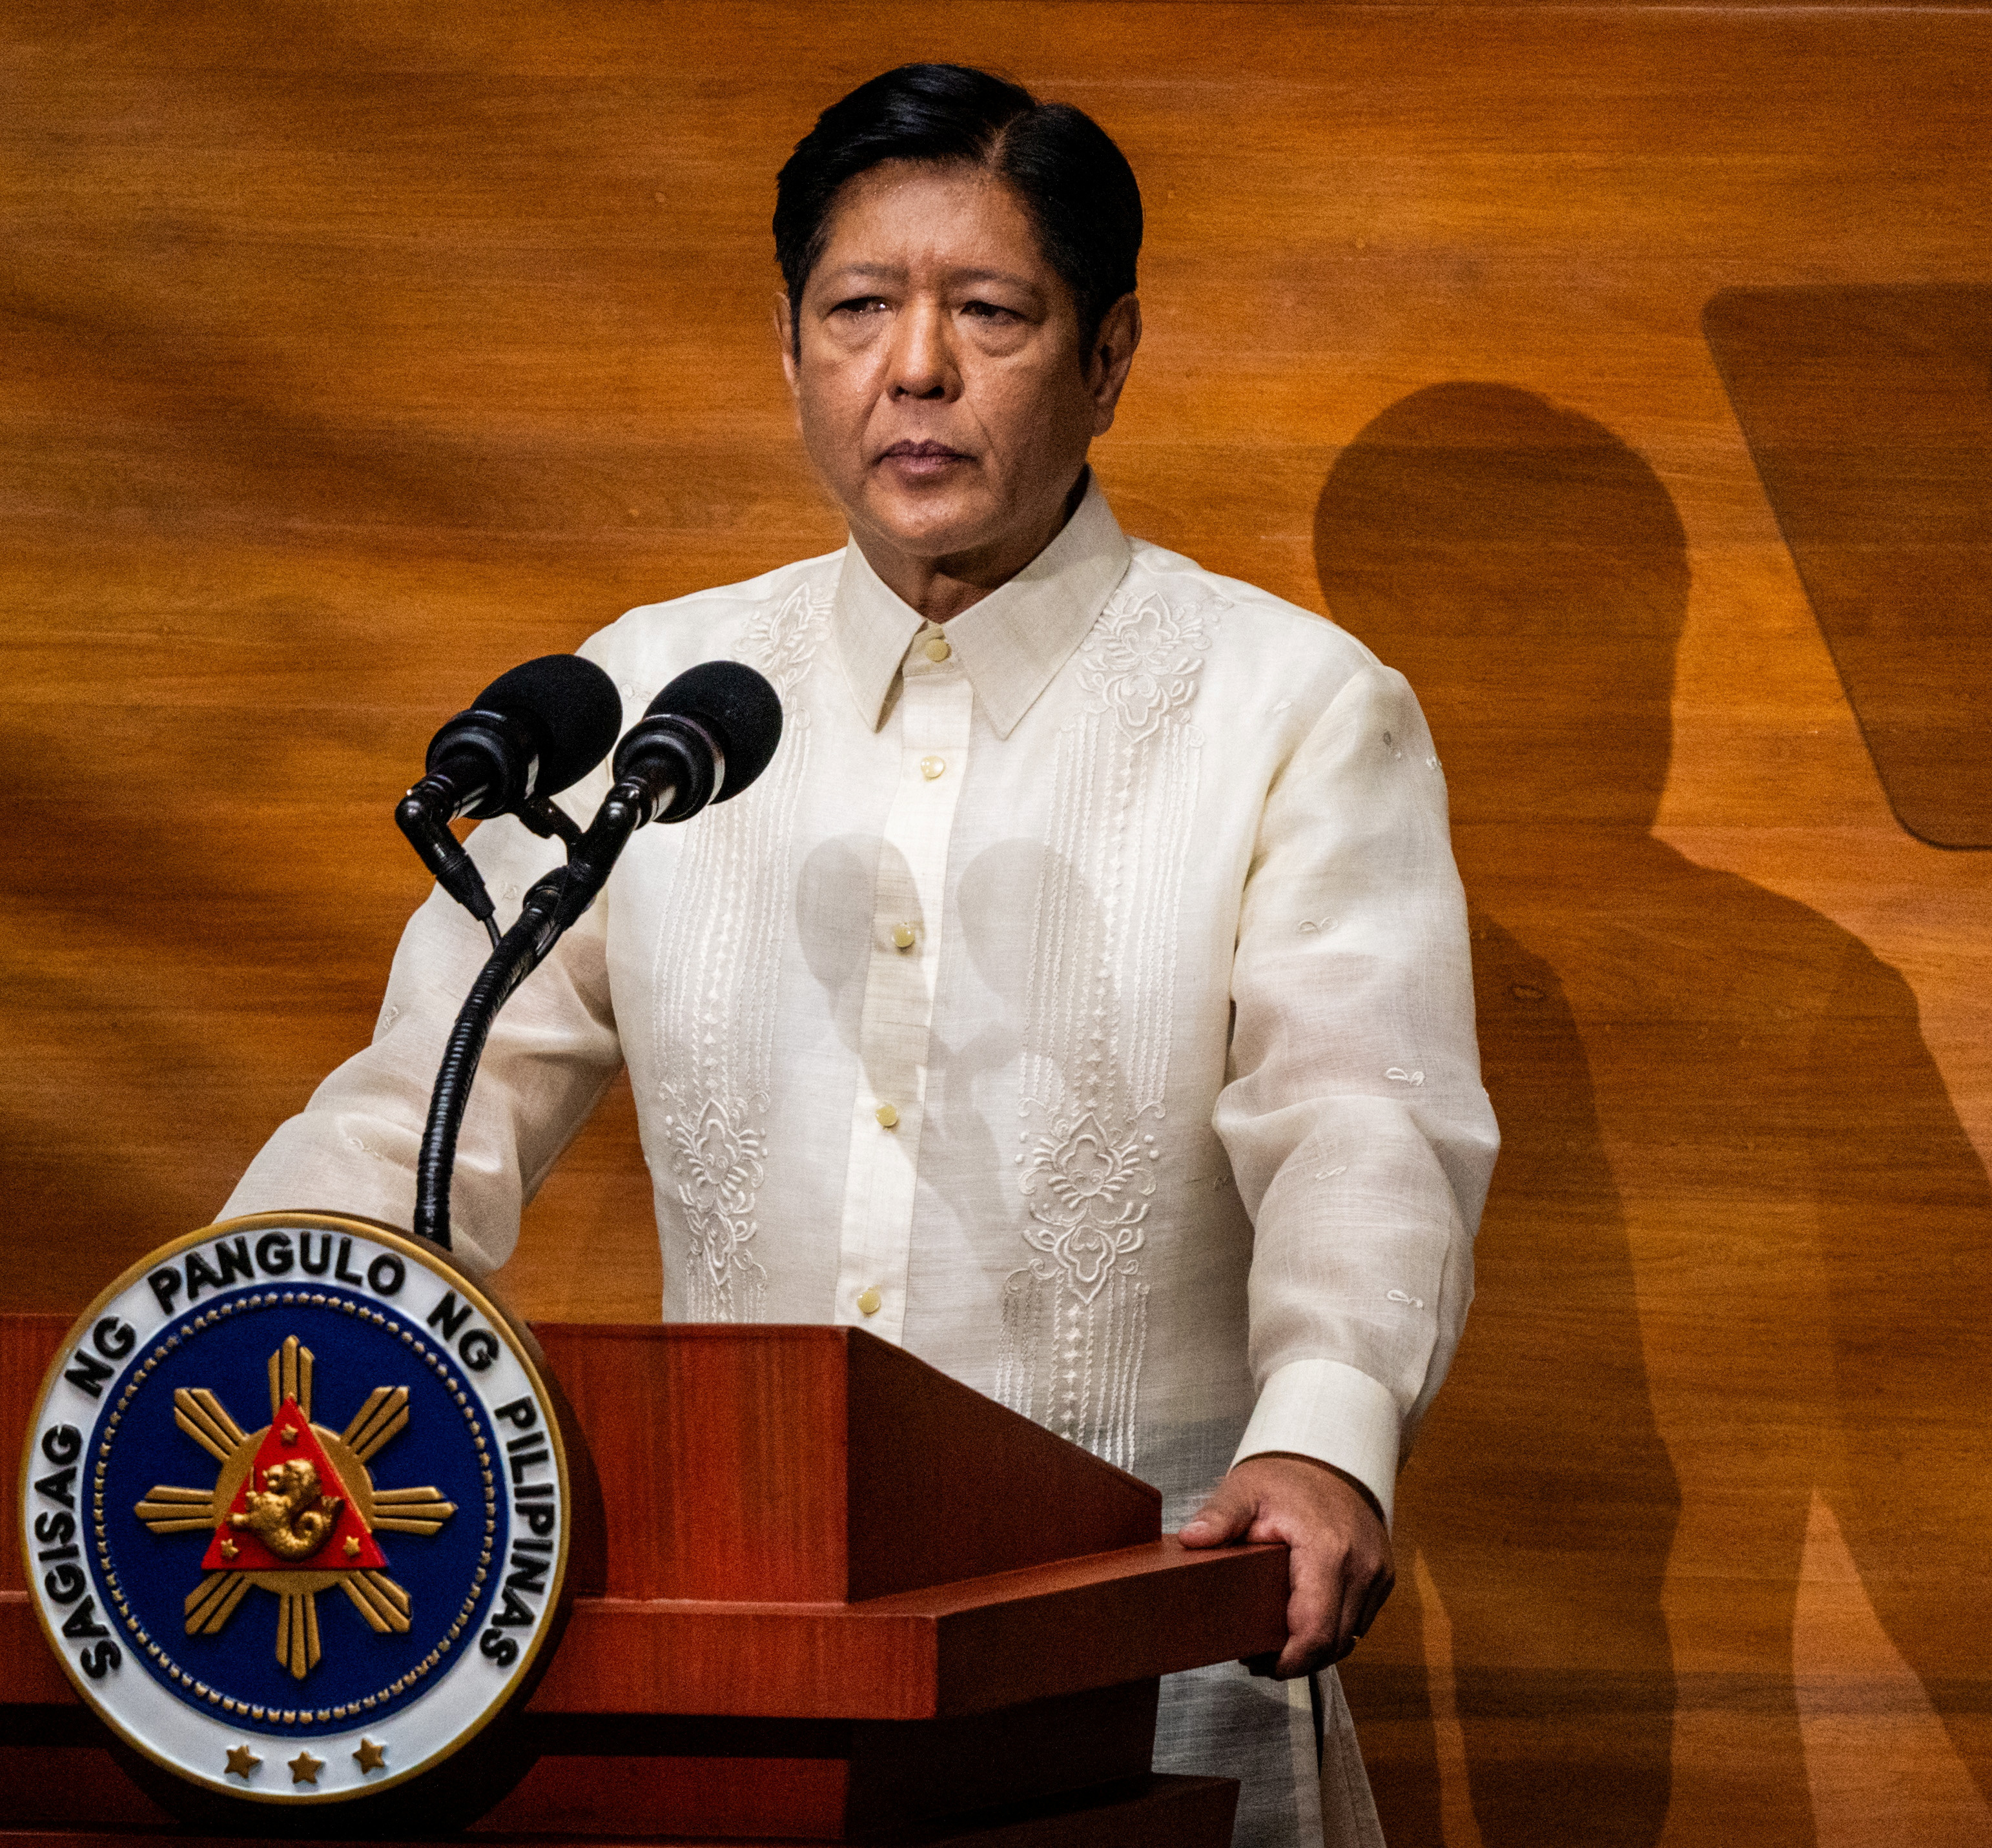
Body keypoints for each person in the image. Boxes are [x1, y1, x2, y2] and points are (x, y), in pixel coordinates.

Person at [224, 63, 1495, 1848]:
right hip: (717, 1688)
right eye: (858, 311)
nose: (917, 369)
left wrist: (1326, 1433)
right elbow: (430, 1100)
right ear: (794, 346)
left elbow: (1359, 1117)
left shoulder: (1285, 708)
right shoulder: (648, 701)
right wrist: (223, 1354)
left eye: (989, 313)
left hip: (1145, 1662)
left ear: (1108, 353)